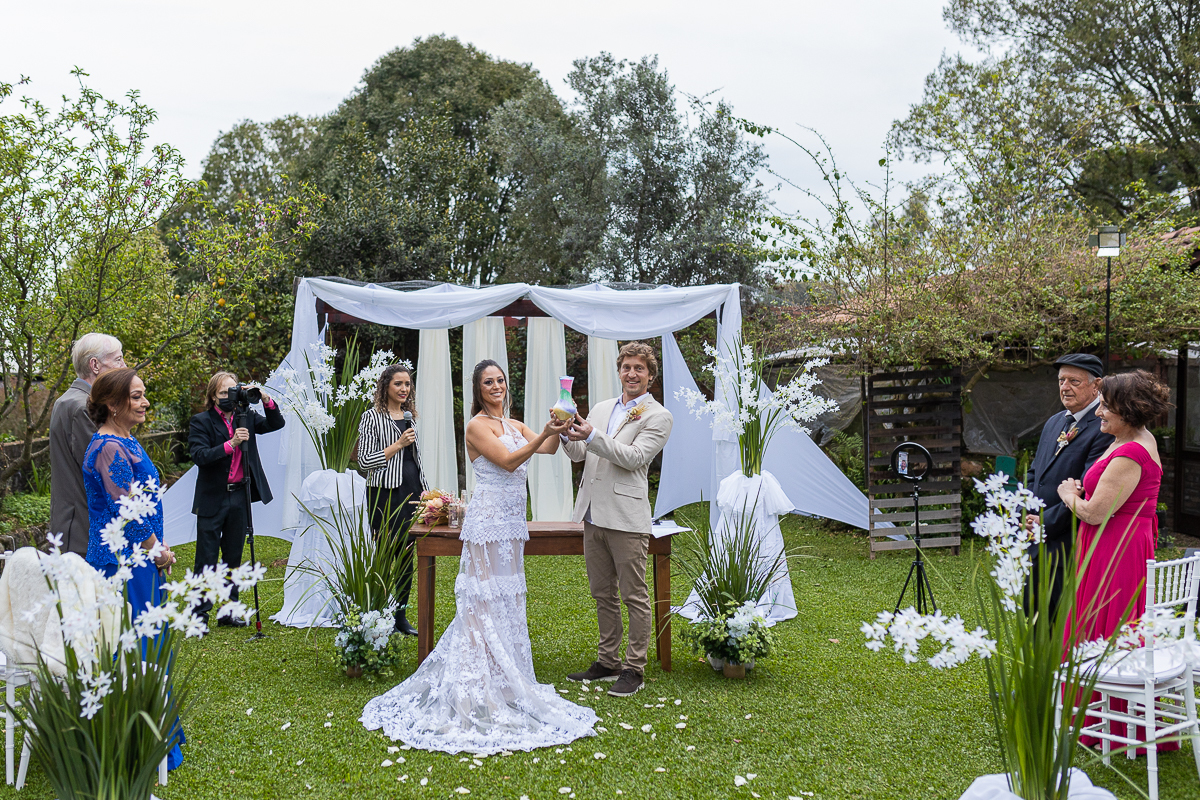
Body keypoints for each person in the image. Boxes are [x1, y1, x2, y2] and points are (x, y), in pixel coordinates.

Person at [360, 359, 596, 754]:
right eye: (489, 382)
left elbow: (552, 448)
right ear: (478, 389)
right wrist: (539, 439)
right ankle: (473, 681)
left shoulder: (514, 425)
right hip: (486, 520)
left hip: (511, 521)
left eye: (501, 379)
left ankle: (505, 676)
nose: (497, 386)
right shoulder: (476, 426)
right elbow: (508, 462)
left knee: (507, 598)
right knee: (482, 599)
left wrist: (559, 422)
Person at [1058, 369, 1173, 750]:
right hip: (1114, 544)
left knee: (1110, 629)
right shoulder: (1129, 438)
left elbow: (1094, 513)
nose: (1098, 413)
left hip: (1116, 550)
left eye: (1105, 407)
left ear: (1127, 409)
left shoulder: (1131, 452)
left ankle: (1111, 724)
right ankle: (1097, 715)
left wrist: (1067, 494)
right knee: (1102, 628)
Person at [82, 367, 185, 769]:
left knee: (151, 645)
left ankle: (155, 736)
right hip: (121, 562)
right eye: (137, 396)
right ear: (112, 404)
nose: (144, 403)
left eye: (144, 395)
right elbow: (126, 508)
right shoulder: (107, 447)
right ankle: (135, 742)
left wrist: (158, 547)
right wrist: (157, 549)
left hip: (142, 557)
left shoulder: (127, 440)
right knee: (135, 647)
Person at [562, 341, 673, 698]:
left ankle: (634, 668)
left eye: (639, 368)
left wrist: (592, 435)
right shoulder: (601, 407)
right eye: (626, 367)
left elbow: (633, 457)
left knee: (634, 596)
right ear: (619, 370)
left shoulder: (659, 416)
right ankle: (608, 660)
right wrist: (566, 432)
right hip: (592, 514)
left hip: (627, 517)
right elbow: (581, 452)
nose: (632, 374)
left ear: (650, 376)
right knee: (601, 593)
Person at [188, 372, 285, 628]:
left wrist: (264, 397)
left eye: (233, 391)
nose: (229, 397)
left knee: (233, 557)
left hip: (240, 496)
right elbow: (200, 455)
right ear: (213, 396)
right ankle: (199, 615)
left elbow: (276, 424)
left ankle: (228, 612)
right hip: (212, 498)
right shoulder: (201, 421)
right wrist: (231, 443)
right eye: (223, 393)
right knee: (206, 558)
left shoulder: (248, 417)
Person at [1024, 353, 1114, 617]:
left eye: (1074, 381)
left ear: (1096, 386)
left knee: (1060, 620)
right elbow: (1034, 473)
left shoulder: (1105, 427)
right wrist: (1027, 514)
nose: (1065, 387)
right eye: (1062, 380)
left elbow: (1089, 488)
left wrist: (1045, 521)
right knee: (1033, 617)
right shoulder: (1054, 422)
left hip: (1070, 541)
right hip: (1037, 539)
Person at [357, 363, 427, 635]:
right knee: (385, 555)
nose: (404, 389)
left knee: (407, 554)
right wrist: (398, 444)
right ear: (385, 385)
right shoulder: (372, 417)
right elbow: (364, 461)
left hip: (411, 490)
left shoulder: (409, 416)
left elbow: (414, 460)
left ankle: (400, 616)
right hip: (384, 494)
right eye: (398, 383)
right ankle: (378, 612)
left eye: (407, 384)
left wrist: (426, 490)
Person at [49, 333, 125, 557]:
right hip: (83, 529)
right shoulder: (83, 407)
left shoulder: (68, 400)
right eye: (118, 360)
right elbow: (105, 474)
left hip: (76, 524)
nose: (125, 366)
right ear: (95, 365)